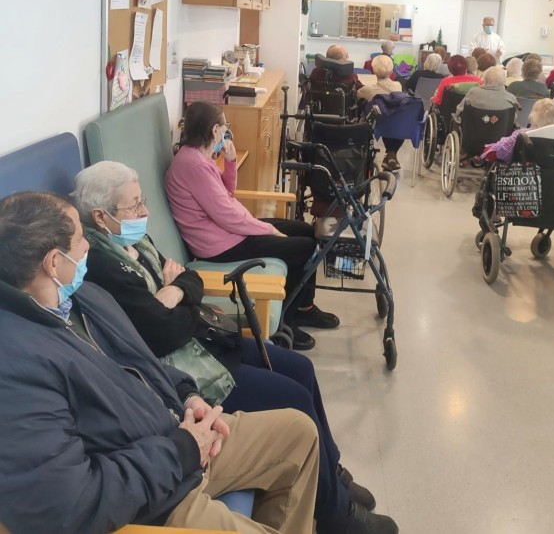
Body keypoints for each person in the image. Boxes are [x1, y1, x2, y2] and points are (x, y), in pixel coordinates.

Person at [72, 161, 395, 534]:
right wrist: (181, 294)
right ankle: (337, 514)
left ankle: (332, 474)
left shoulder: (134, 241)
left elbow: (188, 278)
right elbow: (161, 333)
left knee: (302, 369)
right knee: (293, 397)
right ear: (101, 216)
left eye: (142, 200)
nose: (145, 211)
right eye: (134, 205)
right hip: (185, 363)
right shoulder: (100, 265)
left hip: (203, 338)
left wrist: (175, 291)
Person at [0, 191, 320, 534]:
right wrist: (182, 450)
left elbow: (143, 362)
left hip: (176, 437)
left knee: (300, 433)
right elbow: (69, 506)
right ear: (53, 263)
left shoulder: (84, 298)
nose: (88, 246)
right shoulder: (16, 366)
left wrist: (186, 395)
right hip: (155, 499)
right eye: (80, 239)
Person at [165, 101, 336, 352]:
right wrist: (269, 230)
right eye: (224, 126)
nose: (226, 131)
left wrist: (230, 162)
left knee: (305, 230)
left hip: (227, 233)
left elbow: (227, 195)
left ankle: (304, 307)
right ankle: (287, 320)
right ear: (215, 130)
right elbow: (226, 215)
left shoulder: (198, 157)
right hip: (220, 245)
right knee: (305, 246)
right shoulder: (193, 164)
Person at [482, 98, 554, 163]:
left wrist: (488, 149)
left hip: (527, 176)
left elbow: (491, 153)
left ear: (535, 115)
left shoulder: (523, 135)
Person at [357, 55, 403, 172]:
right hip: (397, 123)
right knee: (390, 119)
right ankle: (391, 154)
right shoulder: (398, 85)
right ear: (391, 71)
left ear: (373, 70)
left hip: (377, 124)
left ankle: (390, 155)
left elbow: (357, 96)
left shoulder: (368, 89)